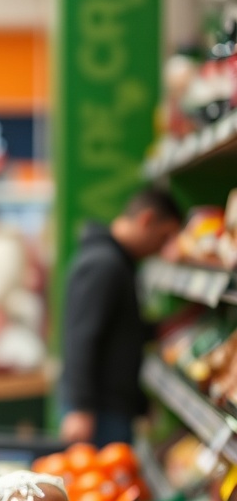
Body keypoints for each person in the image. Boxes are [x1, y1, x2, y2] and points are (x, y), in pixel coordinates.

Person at [59, 186, 183, 447]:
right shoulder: (104, 264)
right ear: (146, 220)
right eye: (163, 237)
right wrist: (81, 408)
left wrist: (167, 327)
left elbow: (120, 332)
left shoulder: (116, 262)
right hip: (99, 411)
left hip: (109, 407)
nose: (162, 249)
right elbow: (81, 337)